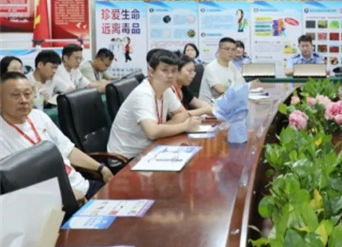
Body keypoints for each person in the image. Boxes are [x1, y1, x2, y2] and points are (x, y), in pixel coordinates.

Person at [0, 72, 113, 200]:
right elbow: (17, 184)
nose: (23, 100)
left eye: (27, 94)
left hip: (82, 186)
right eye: (15, 95)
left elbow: (68, 150)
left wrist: (101, 168)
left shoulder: (39, 116)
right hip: (52, 200)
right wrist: (68, 194)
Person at [107, 50, 204, 160]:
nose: (170, 75)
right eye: (164, 70)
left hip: (151, 149)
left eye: (174, 71)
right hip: (126, 158)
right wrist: (184, 127)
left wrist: (160, 129)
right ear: (151, 71)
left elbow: (183, 114)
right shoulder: (143, 94)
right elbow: (152, 133)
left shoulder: (166, 89)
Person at [199, 37, 247, 103]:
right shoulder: (210, 67)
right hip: (210, 105)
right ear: (219, 50)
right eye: (227, 49)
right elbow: (220, 90)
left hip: (228, 102)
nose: (230, 52)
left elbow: (242, 82)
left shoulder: (231, 65)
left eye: (233, 49)